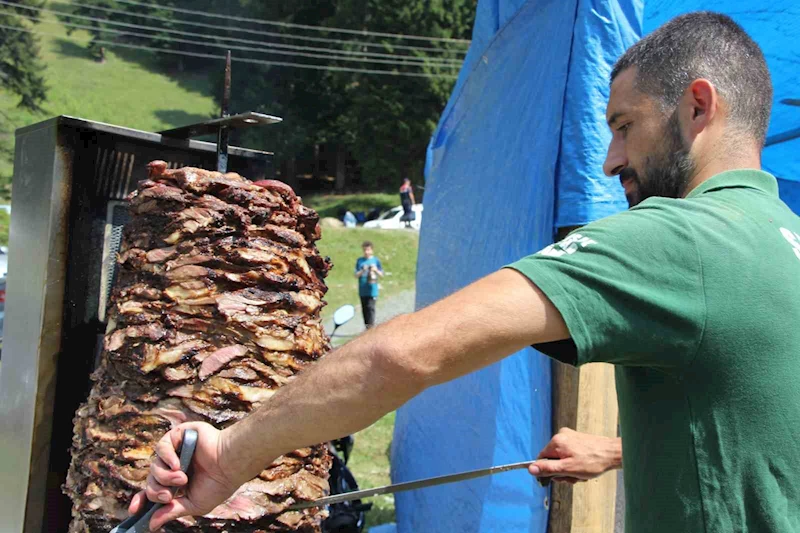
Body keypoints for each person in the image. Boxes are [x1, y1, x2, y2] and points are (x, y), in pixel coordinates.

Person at [132, 12, 800, 533]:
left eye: (624, 125)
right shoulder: (784, 240)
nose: (609, 160)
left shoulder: (678, 238)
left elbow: (405, 354)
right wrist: (618, 449)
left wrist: (231, 454)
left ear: (697, 106)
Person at [354, 241, 383, 329]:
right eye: (365, 250)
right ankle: (367, 328)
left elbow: (381, 275)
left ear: (372, 250)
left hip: (372, 290)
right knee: (365, 310)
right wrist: (363, 270)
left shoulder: (376, 260)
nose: (366, 252)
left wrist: (375, 270)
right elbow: (356, 275)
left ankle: (371, 328)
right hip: (363, 290)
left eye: (368, 250)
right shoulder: (360, 261)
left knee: (371, 308)